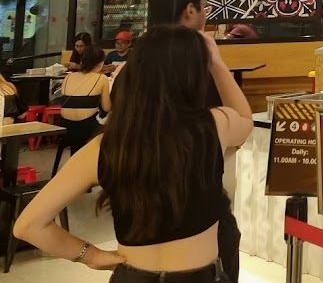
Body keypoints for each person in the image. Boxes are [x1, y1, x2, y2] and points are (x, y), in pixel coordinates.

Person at [15, 26, 253, 280]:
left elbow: (29, 225)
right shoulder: (215, 125)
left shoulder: (104, 147)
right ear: (194, 76)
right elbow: (245, 118)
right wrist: (216, 62)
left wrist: (91, 255)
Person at [132, 0, 242, 283]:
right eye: (205, 7)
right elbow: (238, 125)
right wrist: (218, 64)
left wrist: (88, 255)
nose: (207, 15)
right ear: (190, 11)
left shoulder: (135, 62)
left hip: (139, 210)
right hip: (200, 206)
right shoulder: (195, 64)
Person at [52, 45, 111, 175]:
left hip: (64, 126)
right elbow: (107, 108)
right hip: (86, 128)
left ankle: (77, 166)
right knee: (110, 129)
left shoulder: (68, 77)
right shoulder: (101, 78)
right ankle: (98, 172)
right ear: (100, 63)